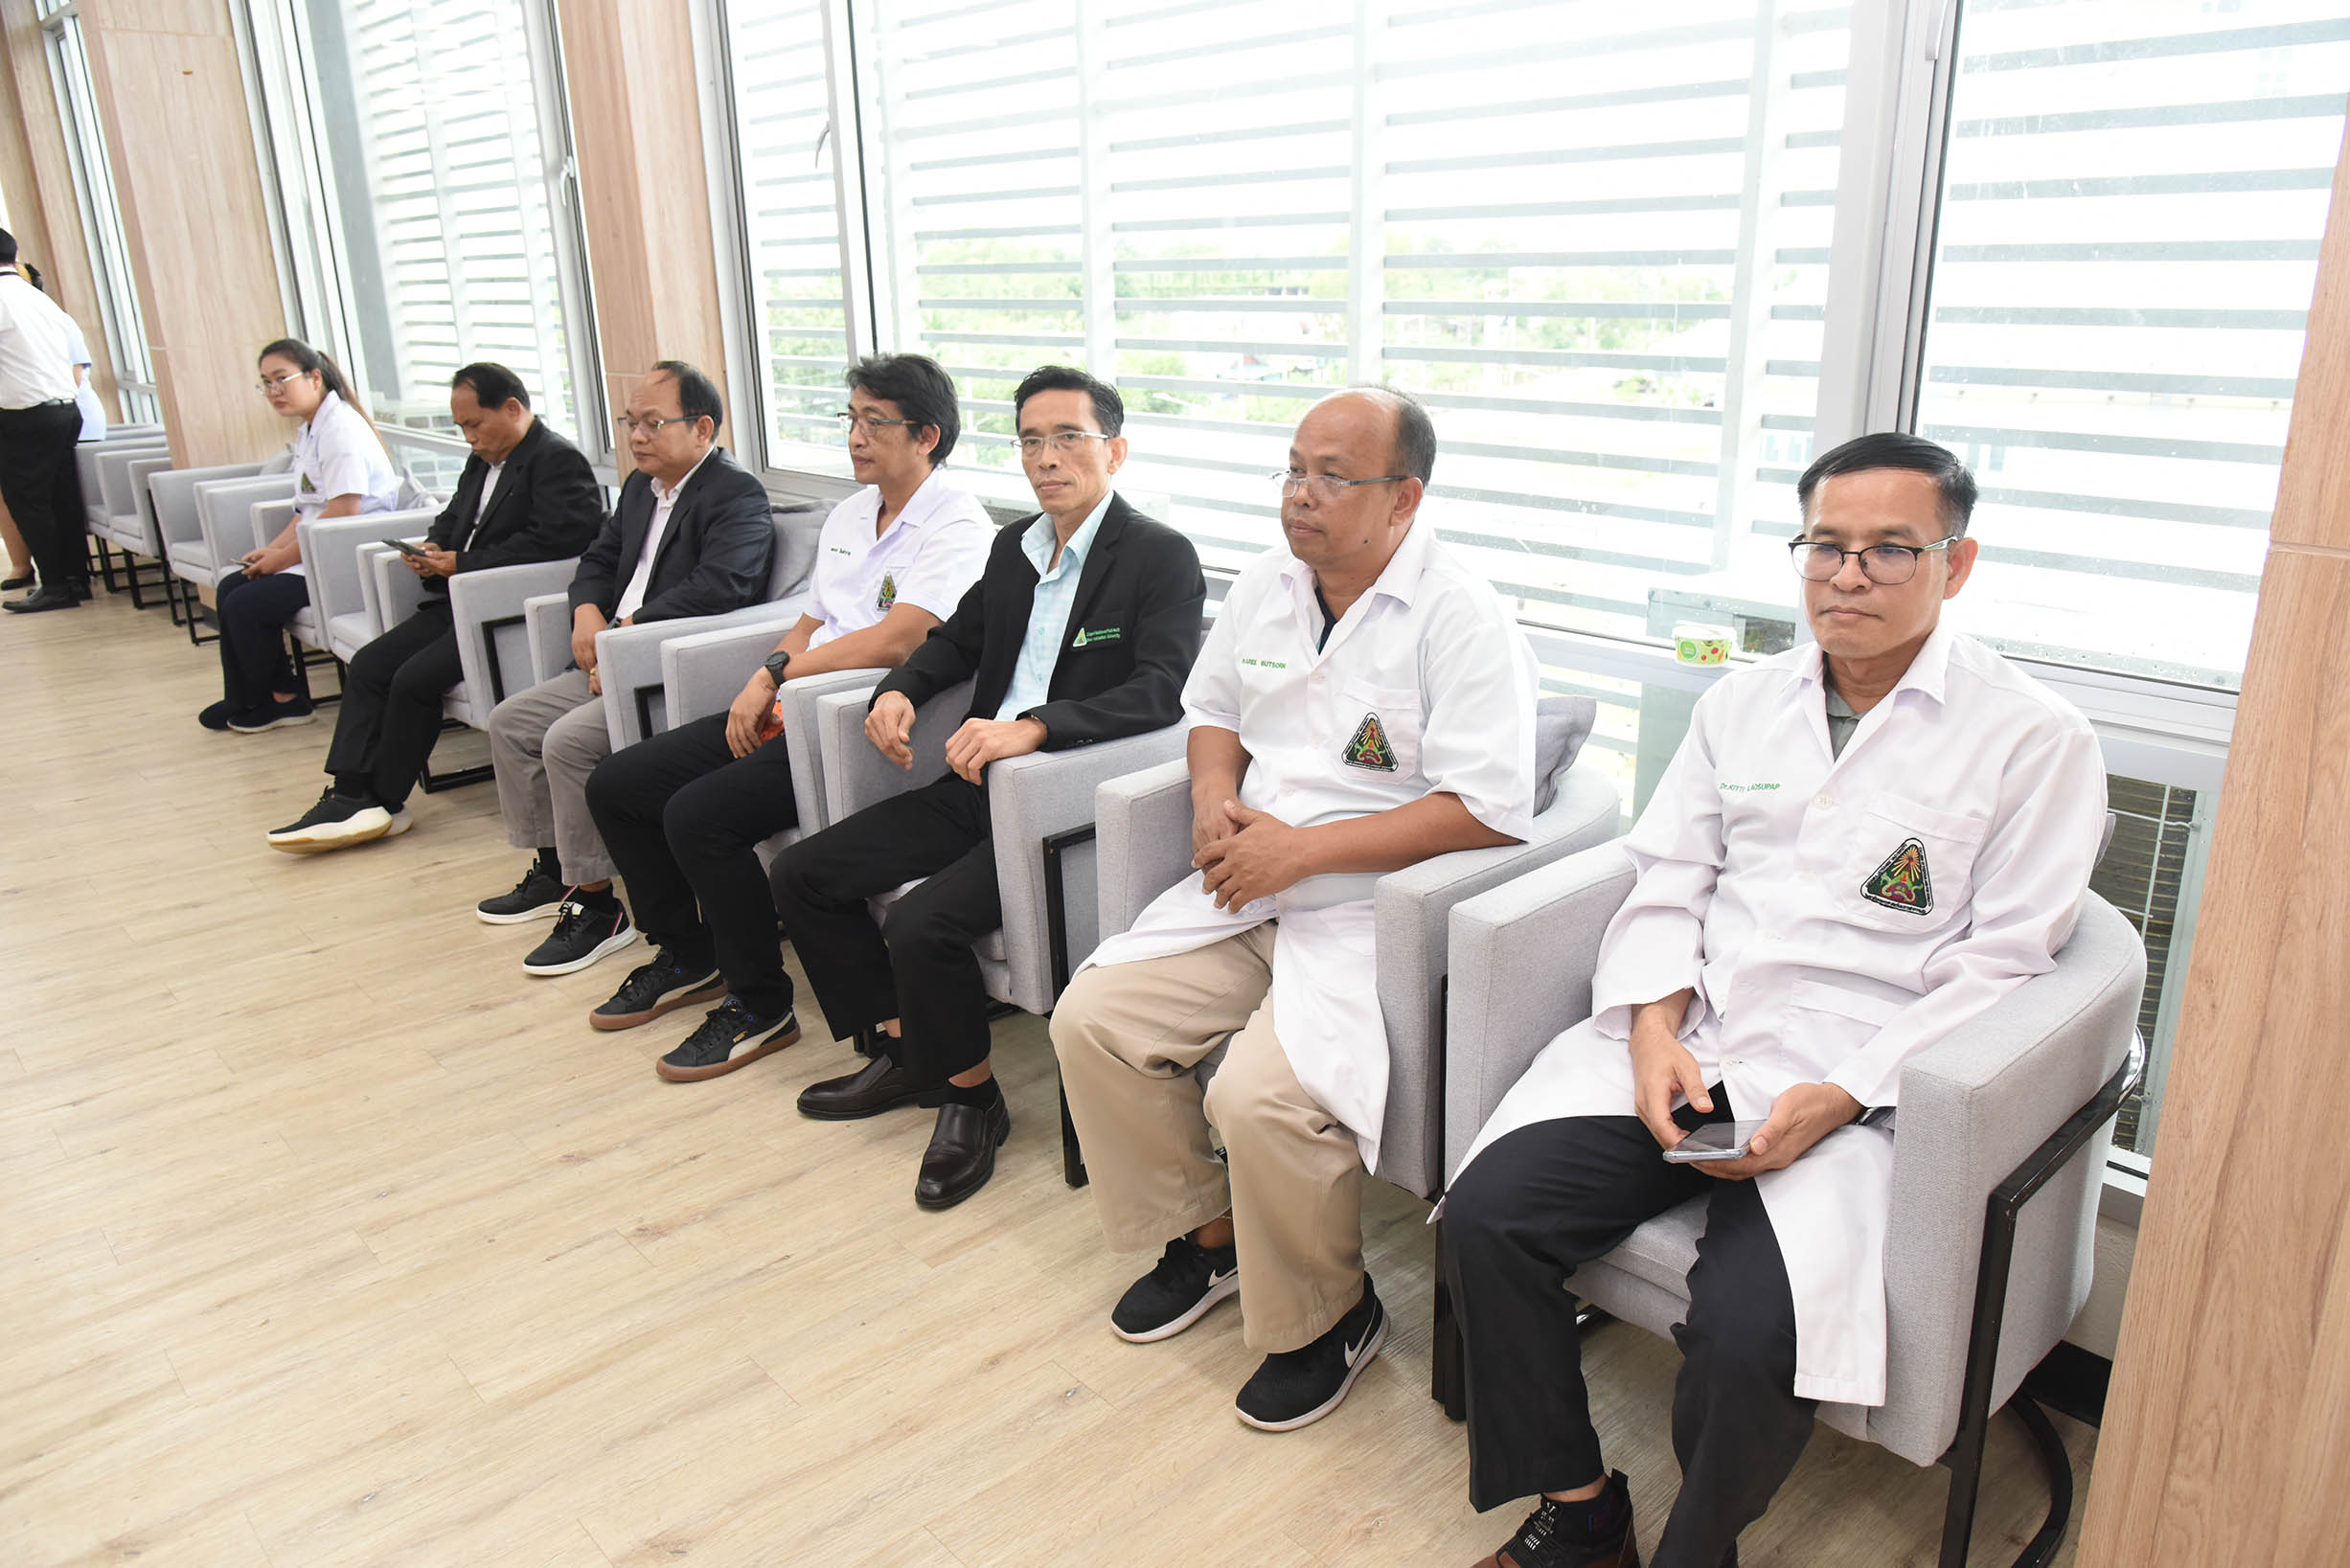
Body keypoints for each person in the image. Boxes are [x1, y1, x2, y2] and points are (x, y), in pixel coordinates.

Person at [1441, 433, 2109, 1568]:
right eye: (1824, 546)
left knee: (1752, 1333)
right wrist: (1652, 1026)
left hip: (1865, 1088)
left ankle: (1697, 1550)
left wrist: (1842, 1093)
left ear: (1955, 562)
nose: (1846, 575)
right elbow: (1667, 878)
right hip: (1700, 1039)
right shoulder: (1741, 702)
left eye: (1888, 548)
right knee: (1485, 1214)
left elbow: (2000, 967)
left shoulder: (2034, 740)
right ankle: (1581, 1508)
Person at [1050, 387, 1540, 1433]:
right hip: (1248, 887)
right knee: (1093, 1018)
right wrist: (1210, 796)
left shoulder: (1461, 615)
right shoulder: (1267, 584)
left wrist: (1304, 851)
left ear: (1403, 497)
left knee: (1260, 1098)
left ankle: (1333, 1313)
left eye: (1332, 476)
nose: (1299, 495)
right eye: (1292, 469)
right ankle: (1209, 1238)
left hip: (1370, 911)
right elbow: (1213, 710)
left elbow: (1488, 811)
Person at [768, 364, 1205, 1210]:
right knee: (803, 875)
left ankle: (972, 1100)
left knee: (923, 922)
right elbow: (955, 642)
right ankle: (907, 1051)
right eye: (1031, 440)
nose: (1047, 457)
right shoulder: (1014, 549)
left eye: (1068, 437)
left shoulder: (1158, 555)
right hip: (975, 779)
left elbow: (1160, 691)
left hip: (1057, 799)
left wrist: (1037, 725)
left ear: (1114, 450)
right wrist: (898, 689)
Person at [582, 353, 991, 1079]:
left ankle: (760, 1004)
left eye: (875, 422)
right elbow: (810, 621)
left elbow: (899, 640)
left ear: (926, 435)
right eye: (851, 419)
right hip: (791, 703)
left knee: (698, 816)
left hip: (849, 720)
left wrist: (778, 678)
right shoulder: (851, 511)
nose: (856, 437)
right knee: (619, 783)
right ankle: (688, 955)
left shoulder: (957, 524)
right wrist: (764, 676)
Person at [477, 359, 774, 978]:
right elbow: (597, 558)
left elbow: (722, 587)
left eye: (651, 423)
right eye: (629, 422)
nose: (636, 436)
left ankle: (597, 907)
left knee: (566, 743)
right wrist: (587, 610)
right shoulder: (641, 487)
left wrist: (625, 636)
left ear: (702, 428)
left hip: (657, 670)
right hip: (610, 656)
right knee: (510, 723)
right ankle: (558, 871)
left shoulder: (736, 494)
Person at [262, 363, 604, 852]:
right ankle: (349, 791)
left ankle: (383, 801)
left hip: (499, 610)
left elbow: (558, 544)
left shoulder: (557, 460)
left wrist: (462, 562)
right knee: (370, 664)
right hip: (453, 600)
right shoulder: (482, 459)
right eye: (461, 427)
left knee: (413, 680)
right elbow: (453, 515)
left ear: (512, 408)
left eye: (474, 424)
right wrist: (431, 547)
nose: (469, 437)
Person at [195, 339, 401, 731]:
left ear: (314, 377)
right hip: (317, 550)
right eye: (266, 383)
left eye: (281, 379)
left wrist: (283, 558)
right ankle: (254, 697)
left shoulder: (340, 430)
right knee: (231, 586)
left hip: (343, 556)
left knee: (246, 604)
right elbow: (306, 509)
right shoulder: (312, 428)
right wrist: (270, 551)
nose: (273, 391)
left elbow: (343, 511)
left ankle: (279, 702)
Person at [0, 231, 94, 613]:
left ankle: (54, 586)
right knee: (62, 498)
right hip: (65, 410)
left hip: (25, 416)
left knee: (29, 502)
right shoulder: (37, 298)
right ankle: (75, 580)